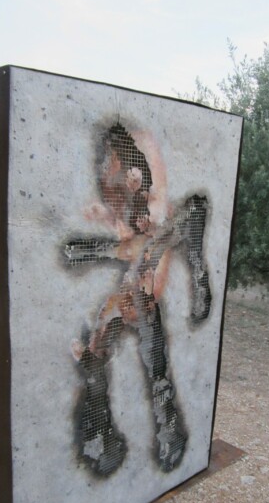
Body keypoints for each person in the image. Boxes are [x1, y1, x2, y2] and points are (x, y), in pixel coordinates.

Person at [64, 123, 211, 476]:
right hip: (142, 256)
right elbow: (126, 233)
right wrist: (111, 223)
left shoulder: (146, 170)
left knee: (142, 306)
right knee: (112, 326)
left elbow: (152, 221)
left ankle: (166, 425)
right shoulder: (116, 178)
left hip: (153, 249)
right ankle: (105, 425)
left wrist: (141, 228)